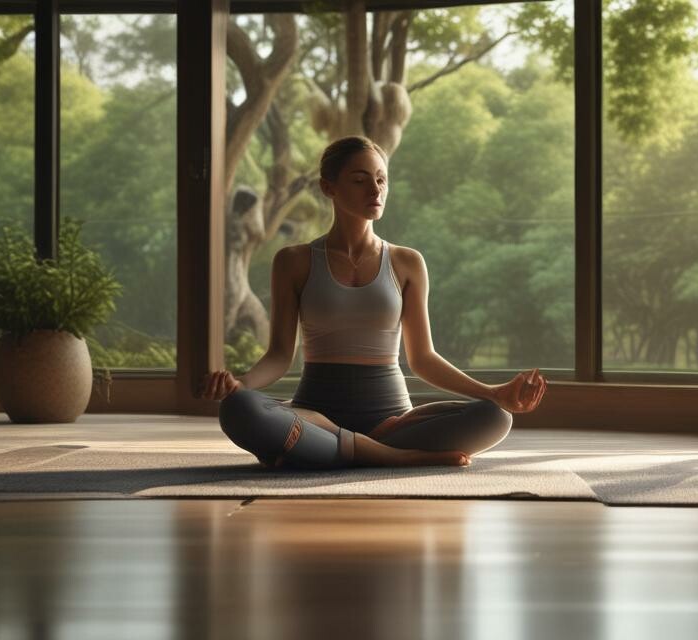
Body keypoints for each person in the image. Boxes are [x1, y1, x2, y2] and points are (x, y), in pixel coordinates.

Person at [199, 135, 547, 470]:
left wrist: (493, 392)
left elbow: (423, 359)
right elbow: (278, 355)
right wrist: (240, 385)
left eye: (382, 180)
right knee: (238, 408)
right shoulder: (293, 261)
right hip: (316, 416)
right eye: (360, 180)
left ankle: (329, 452)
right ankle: (393, 458)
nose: (375, 189)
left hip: (392, 421)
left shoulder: (407, 262)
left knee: (495, 416)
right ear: (329, 187)